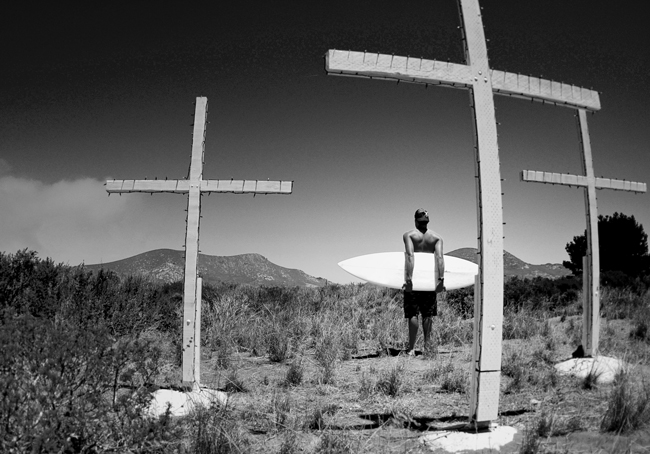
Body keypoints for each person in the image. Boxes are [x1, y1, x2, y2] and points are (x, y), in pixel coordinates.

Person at [403, 208, 445, 356]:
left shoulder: (409, 235)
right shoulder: (436, 238)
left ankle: (411, 348)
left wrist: (408, 279)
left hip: (414, 280)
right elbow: (439, 258)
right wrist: (440, 279)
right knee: (427, 314)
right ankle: (427, 347)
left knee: (413, 314)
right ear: (427, 221)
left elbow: (410, 255)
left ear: (415, 221)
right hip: (429, 281)